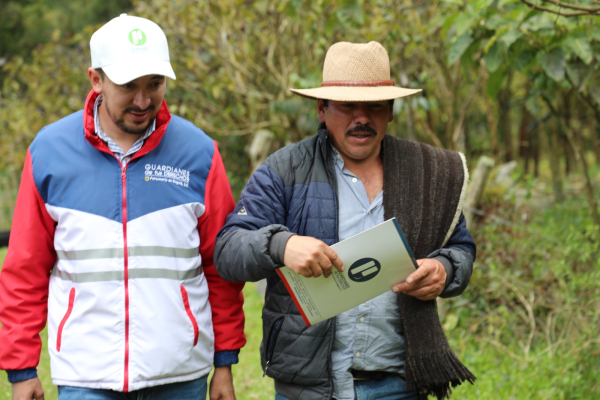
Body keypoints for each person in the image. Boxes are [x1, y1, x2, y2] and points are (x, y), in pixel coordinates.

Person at [0, 14, 245, 400]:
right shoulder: (49, 152)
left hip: (181, 376)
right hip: (86, 378)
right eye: (128, 85)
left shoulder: (200, 153)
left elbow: (221, 267)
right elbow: (24, 269)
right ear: (96, 79)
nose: (143, 100)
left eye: (155, 84)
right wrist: (21, 369)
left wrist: (225, 363)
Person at [214, 41, 476, 400]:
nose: (361, 118)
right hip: (309, 388)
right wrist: (282, 244)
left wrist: (445, 269)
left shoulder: (428, 173)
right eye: (346, 105)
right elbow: (228, 250)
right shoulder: (285, 170)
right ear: (321, 109)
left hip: (400, 383)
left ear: (391, 110)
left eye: (374, 106)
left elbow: (460, 247)